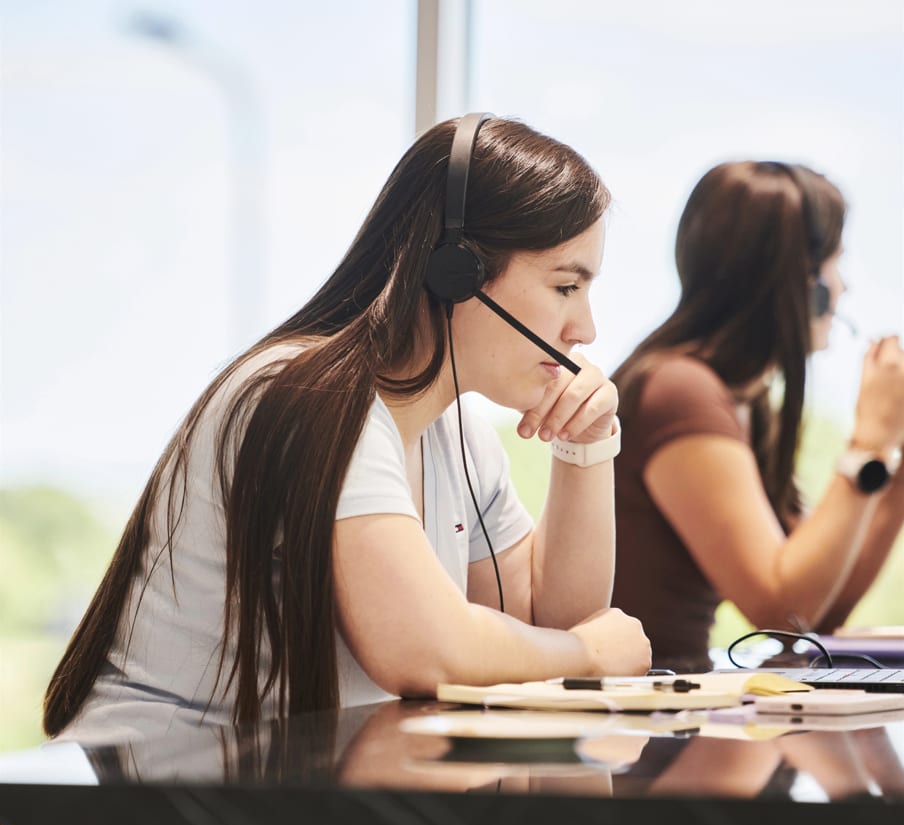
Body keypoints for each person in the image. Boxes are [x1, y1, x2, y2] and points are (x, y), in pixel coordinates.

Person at [43, 114, 651, 742]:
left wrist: (587, 448)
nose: (586, 329)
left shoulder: (458, 433)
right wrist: (589, 657)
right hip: (153, 805)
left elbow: (549, 618)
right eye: (565, 286)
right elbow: (422, 648)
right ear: (457, 271)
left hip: (268, 791)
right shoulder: (311, 396)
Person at [610, 160, 904, 673]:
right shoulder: (680, 391)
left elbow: (816, 609)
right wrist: (869, 443)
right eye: (836, 261)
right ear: (801, 282)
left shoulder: (740, 400)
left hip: (674, 704)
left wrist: (893, 471)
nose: (846, 288)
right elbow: (781, 611)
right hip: (642, 724)